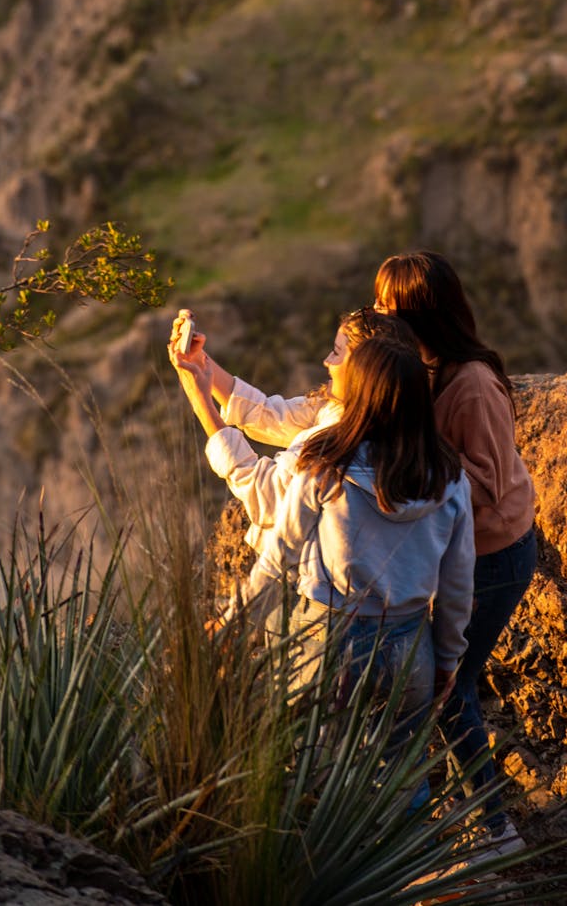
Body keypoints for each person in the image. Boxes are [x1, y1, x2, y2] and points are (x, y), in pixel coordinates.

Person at [169, 329, 476, 809]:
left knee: (313, 775)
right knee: (404, 776)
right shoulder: (449, 475)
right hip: (411, 642)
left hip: (329, 639)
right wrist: (448, 658)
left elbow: (278, 557)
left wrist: (233, 622)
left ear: (360, 393)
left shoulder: (324, 464)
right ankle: (410, 871)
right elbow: (458, 581)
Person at [373, 250, 537, 857]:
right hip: (465, 553)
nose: (380, 315)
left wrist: (409, 453)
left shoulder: (469, 384)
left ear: (422, 313)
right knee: (441, 686)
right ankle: (469, 812)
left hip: (496, 555)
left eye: (390, 306)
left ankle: (497, 830)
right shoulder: (427, 369)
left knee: (450, 691)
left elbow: (489, 482)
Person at [168, 306, 418, 557]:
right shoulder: (351, 411)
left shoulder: (338, 439)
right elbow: (268, 414)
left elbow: (265, 493)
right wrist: (199, 362)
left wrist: (200, 400)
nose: (327, 361)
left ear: (363, 372)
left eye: (336, 352)